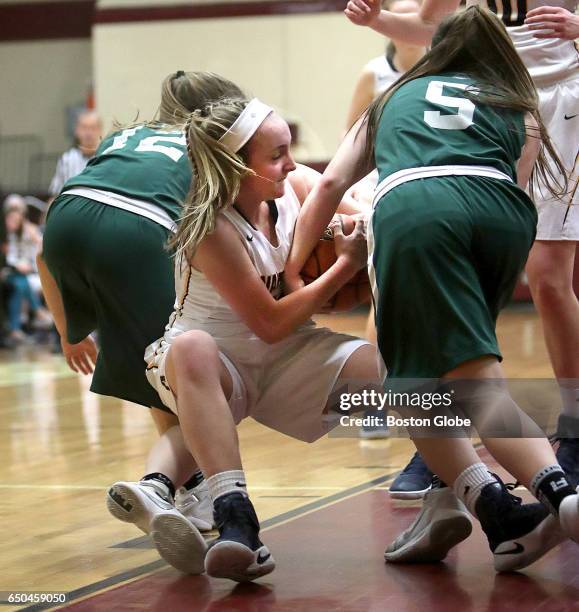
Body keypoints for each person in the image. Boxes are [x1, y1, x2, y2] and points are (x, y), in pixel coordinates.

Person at [285, 6, 579, 573]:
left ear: (438, 48)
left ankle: (557, 495)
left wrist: (299, 269)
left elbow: (328, 183)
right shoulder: (518, 106)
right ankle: (489, 508)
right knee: (463, 371)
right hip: (504, 219)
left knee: (424, 384)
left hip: (420, 208)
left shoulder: (396, 94)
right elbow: (519, 183)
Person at [109, 95, 383, 582]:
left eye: (288, 149)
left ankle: (464, 489)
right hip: (210, 362)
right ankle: (237, 522)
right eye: (276, 155)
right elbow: (270, 322)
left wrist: (360, 224)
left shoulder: (297, 186)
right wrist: (344, 265)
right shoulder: (210, 228)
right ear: (235, 166)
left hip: (290, 353)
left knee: (396, 376)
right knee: (194, 349)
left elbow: (365, 212)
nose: (293, 163)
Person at [344, 0, 579, 489]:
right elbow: (428, 23)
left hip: (557, 103)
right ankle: (440, 442)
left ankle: (574, 429)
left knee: (549, 280)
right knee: (455, 282)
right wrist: (375, 22)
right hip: (480, 103)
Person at [37, 71, 245, 568]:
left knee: (160, 373)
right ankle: (168, 487)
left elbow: (45, 258)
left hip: (65, 218)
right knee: (197, 376)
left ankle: (187, 488)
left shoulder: (126, 135)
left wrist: (69, 333)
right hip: (141, 230)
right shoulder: (214, 146)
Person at [346, 0, 428, 445]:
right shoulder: (374, 73)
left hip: (437, 189)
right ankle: (374, 402)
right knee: (384, 298)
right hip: (383, 192)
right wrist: (350, 197)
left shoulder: (448, 66)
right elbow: (351, 139)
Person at [2, 194, 49, 345]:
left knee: (19, 285)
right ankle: (37, 311)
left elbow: (40, 247)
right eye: (11, 216)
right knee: (21, 282)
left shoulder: (28, 231)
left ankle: (16, 329)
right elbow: (9, 258)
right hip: (8, 272)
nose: (13, 220)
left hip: (21, 274)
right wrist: (17, 265)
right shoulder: (5, 234)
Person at [48, 110, 103, 202]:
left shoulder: (106, 158)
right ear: (77, 130)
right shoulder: (66, 159)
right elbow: (55, 195)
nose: (88, 133)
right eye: (84, 127)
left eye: (93, 128)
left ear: (100, 131)